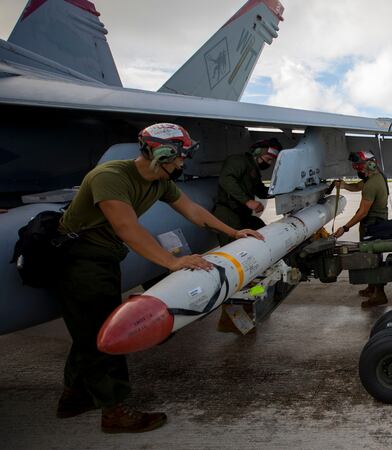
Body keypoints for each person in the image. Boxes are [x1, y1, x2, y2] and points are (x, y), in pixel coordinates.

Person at [55, 123, 263, 433]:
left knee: (90, 330)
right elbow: (127, 229)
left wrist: (233, 232)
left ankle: (74, 397)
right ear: (162, 154)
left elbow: (191, 210)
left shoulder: (160, 181)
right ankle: (114, 411)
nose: (182, 163)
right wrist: (173, 262)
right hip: (80, 259)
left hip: (103, 258)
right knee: (102, 335)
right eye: (180, 157)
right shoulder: (110, 177)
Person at [332, 151, 390, 307]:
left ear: (371, 165)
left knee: (373, 260)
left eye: (361, 168)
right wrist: (344, 185)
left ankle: (380, 295)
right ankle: (372, 288)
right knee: (372, 257)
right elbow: (358, 186)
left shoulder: (372, 184)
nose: (360, 172)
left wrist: (345, 227)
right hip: (376, 224)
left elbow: (363, 212)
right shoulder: (377, 177)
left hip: (373, 226)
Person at [212, 138, 282, 246]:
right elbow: (226, 179)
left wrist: (281, 190)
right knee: (235, 249)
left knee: (264, 236)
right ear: (258, 153)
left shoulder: (253, 169)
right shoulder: (238, 160)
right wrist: (248, 201)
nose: (269, 163)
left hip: (243, 215)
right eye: (268, 159)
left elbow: (261, 192)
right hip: (228, 215)